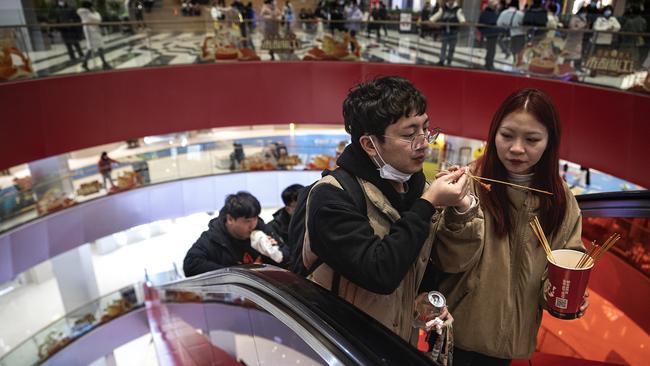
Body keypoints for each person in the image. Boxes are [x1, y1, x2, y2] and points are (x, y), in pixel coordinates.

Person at [302, 76, 467, 343]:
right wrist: (428, 205)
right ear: (370, 145)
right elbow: (379, 273)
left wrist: (426, 299)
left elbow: (423, 265)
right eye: (409, 134)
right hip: (342, 345)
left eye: (426, 128)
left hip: (397, 344)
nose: (424, 142)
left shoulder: (417, 185)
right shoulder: (331, 197)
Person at [430, 89, 588, 365]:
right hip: (456, 334)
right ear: (493, 135)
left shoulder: (562, 201)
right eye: (507, 135)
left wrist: (565, 293)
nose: (516, 148)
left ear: (550, 141)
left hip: (510, 344)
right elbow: (446, 261)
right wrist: (461, 211)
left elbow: (563, 267)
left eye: (532, 139)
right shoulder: (465, 184)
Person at [183, 191, 284, 276]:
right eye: (247, 221)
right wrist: (233, 274)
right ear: (230, 219)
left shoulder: (262, 229)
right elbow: (190, 265)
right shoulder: (213, 237)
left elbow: (286, 256)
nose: (253, 225)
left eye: (255, 218)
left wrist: (274, 252)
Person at [77, 1, 111, 71]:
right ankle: (104, 62)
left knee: (91, 47)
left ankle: (85, 63)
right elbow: (98, 19)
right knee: (98, 47)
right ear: (89, 7)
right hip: (93, 31)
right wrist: (96, 13)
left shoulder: (84, 13)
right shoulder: (88, 13)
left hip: (90, 31)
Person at [430, 0, 466, 66]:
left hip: (454, 31)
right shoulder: (443, 9)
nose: (450, 1)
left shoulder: (458, 9)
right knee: (443, 46)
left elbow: (462, 20)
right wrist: (434, 23)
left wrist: (461, 23)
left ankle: (449, 61)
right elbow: (433, 18)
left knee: (452, 48)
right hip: (445, 31)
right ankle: (441, 61)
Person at [496, 0, 524, 65]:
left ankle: (509, 54)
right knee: (517, 50)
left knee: (509, 46)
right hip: (517, 34)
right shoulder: (520, 14)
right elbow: (523, 25)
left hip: (505, 33)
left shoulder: (504, 13)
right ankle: (516, 62)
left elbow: (498, 23)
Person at [478, 0, 500, 70]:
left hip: (491, 33)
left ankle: (489, 62)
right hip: (491, 33)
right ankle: (489, 63)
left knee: (491, 49)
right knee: (491, 49)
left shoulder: (488, 13)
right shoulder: (489, 13)